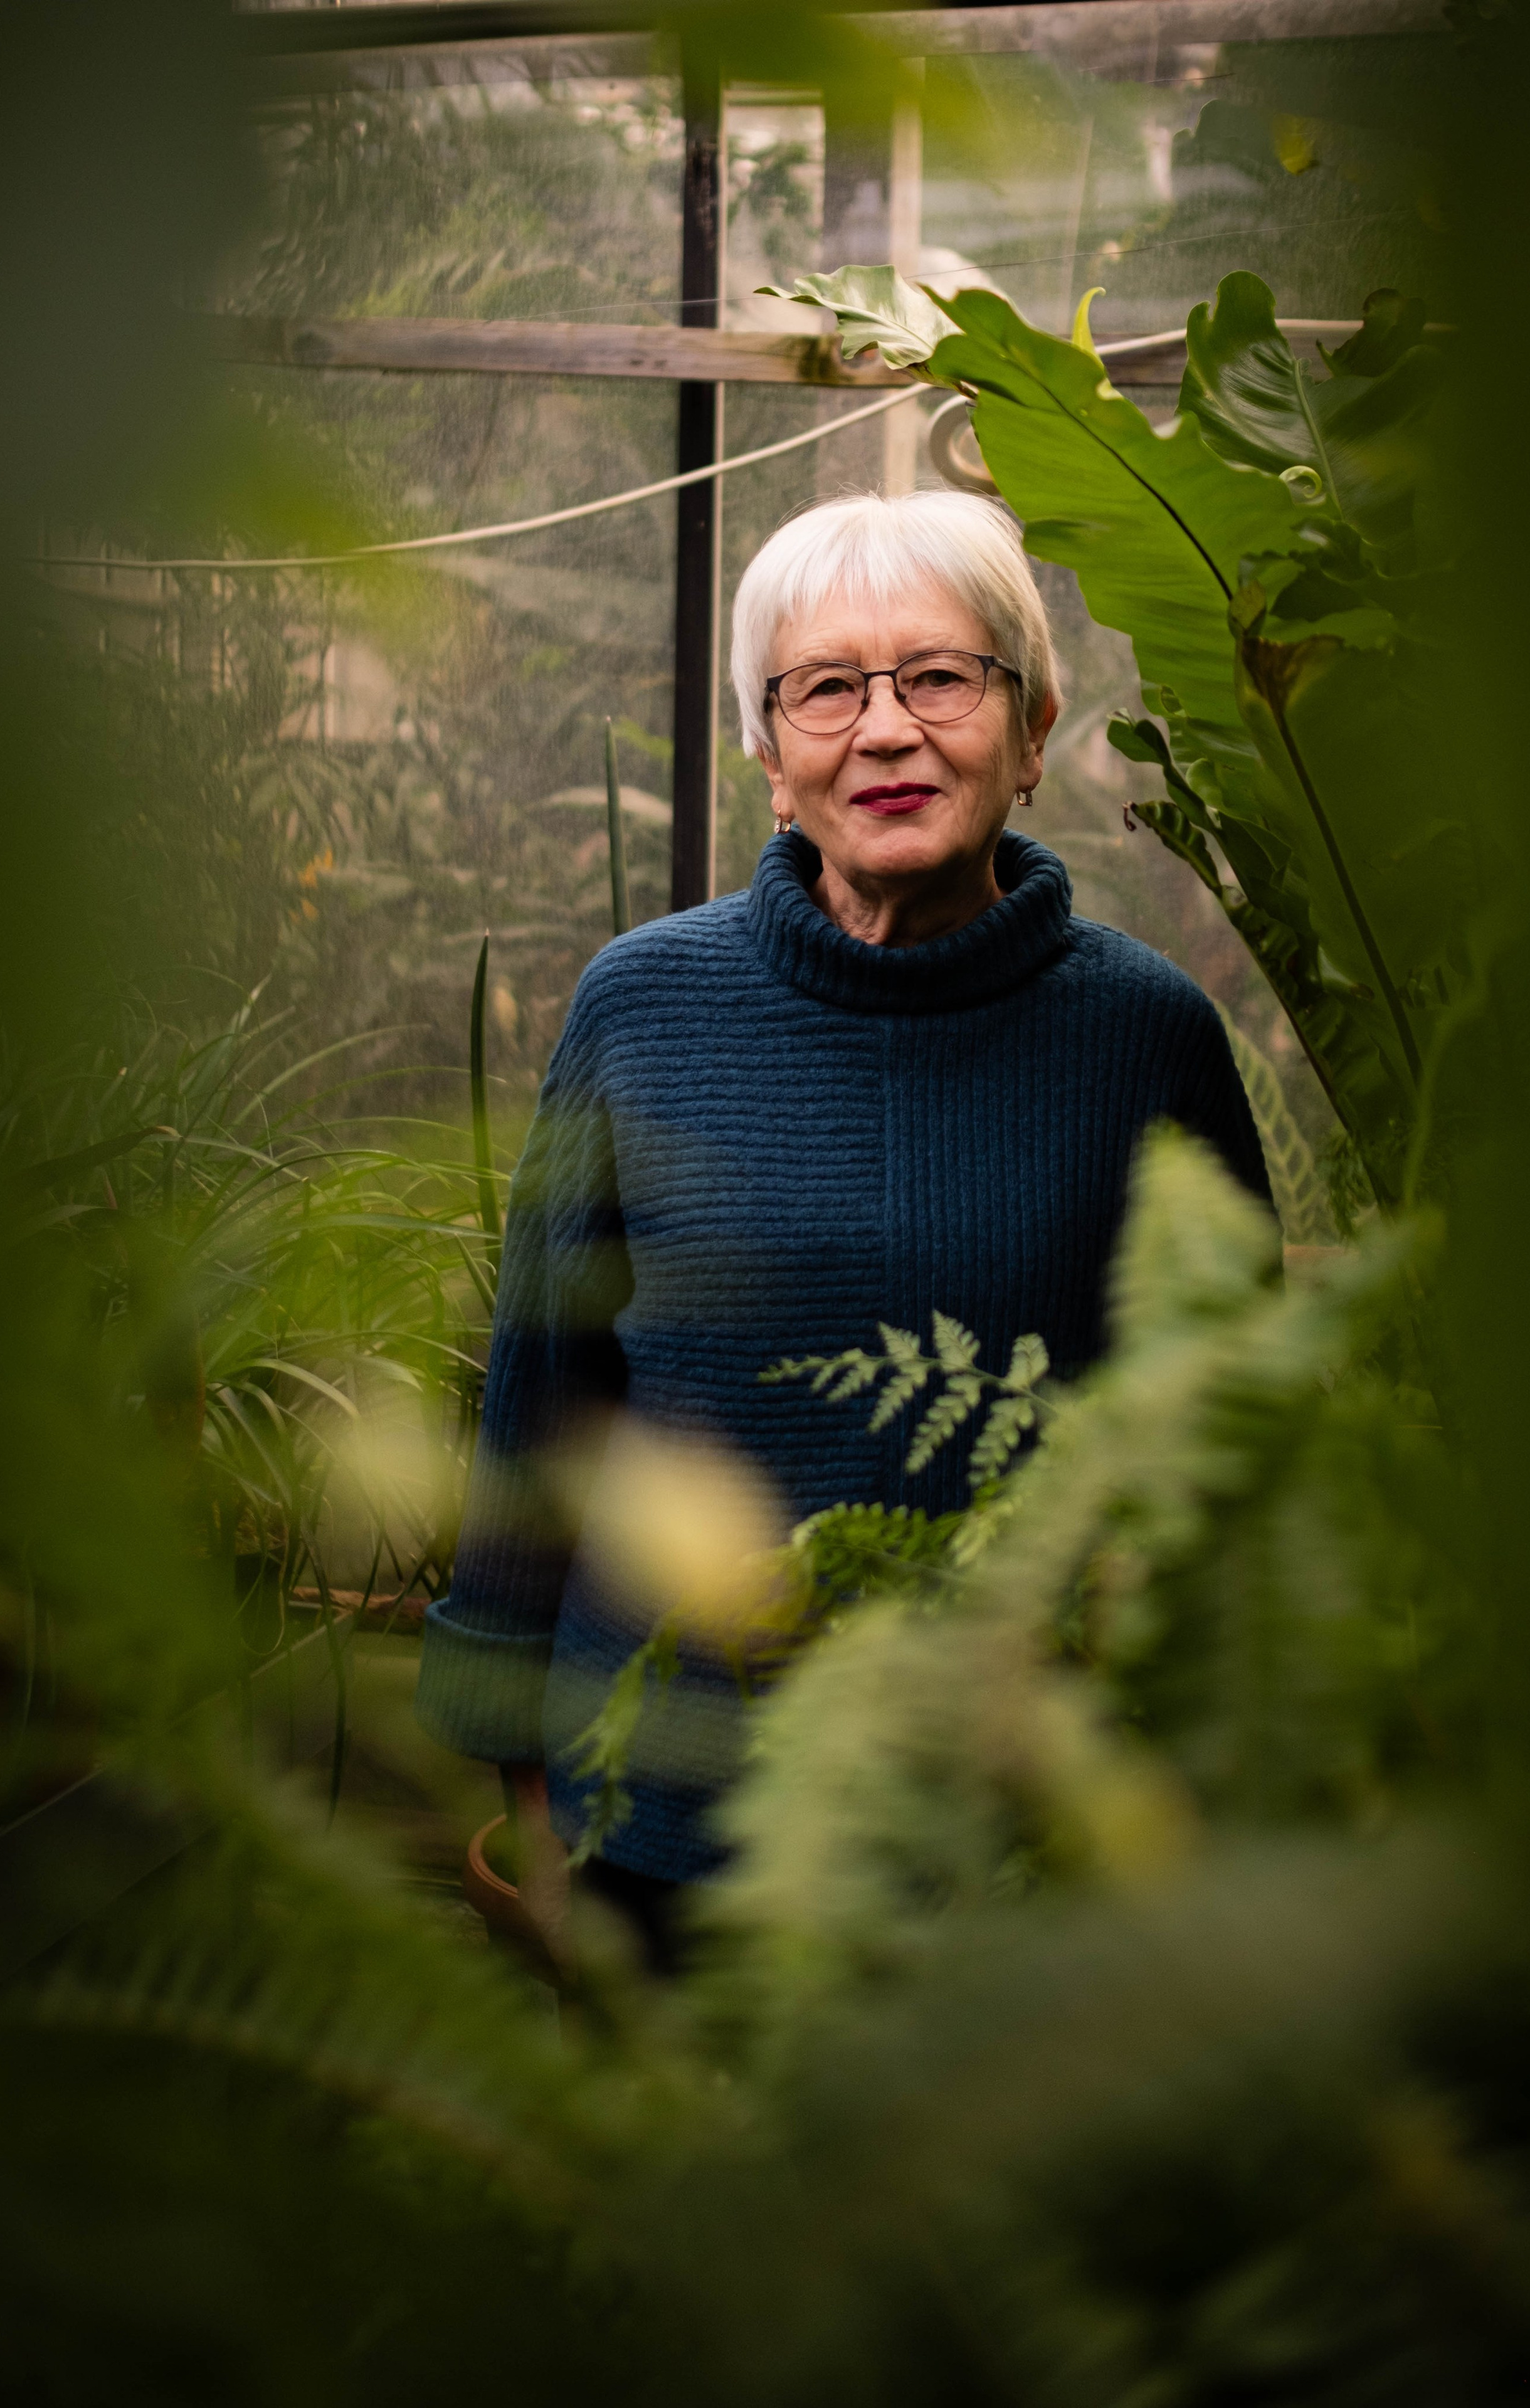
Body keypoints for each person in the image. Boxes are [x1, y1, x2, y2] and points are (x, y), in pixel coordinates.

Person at [415, 489, 1271, 1973]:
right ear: (764, 754)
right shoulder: (640, 1008)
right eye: (823, 688)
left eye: (940, 677)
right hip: (661, 1827)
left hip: (1024, 1856)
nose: (883, 732)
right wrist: (532, 1795)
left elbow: (1230, 1454)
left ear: (1034, 726)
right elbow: (542, 1411)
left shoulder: (1146, 1037)